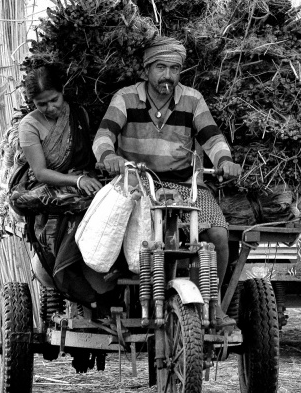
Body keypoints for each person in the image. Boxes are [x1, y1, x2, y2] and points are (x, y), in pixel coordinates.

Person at [93, 36, 243, 328]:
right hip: (136, 185)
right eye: (161, 67)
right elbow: (103, 136)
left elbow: (212, 138)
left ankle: (215, 305)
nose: (168, 76)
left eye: (175, 69)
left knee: (219, 237)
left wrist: (224, 161)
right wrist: (109, 155)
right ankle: (107, 301)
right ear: (146, 69)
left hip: (185, 188)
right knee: (112, 241)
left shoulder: (192, 99)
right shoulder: (125, 98)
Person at [12, 65, 107, 307]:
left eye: (54, 100)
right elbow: (41, 173)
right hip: (51, 191)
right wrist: (77, 181)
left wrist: (88, 178)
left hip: (83, 181)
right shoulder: (29, 126)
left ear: (63, 91)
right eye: (41, 104)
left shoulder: (79, 116)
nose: (50, 108)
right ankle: (70, 278)